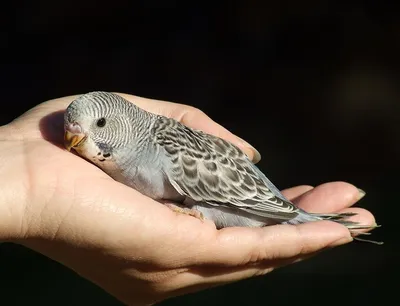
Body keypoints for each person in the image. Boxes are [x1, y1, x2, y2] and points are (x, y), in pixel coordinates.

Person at [0, 93, 375, 306]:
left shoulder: (166, 149)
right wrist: (29, 185)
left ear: (120, 122)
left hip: (247, 205)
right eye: (71, 130)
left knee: (308, 224)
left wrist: (290, 215)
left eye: (98, 126)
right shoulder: (122, 151)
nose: (75, 139)